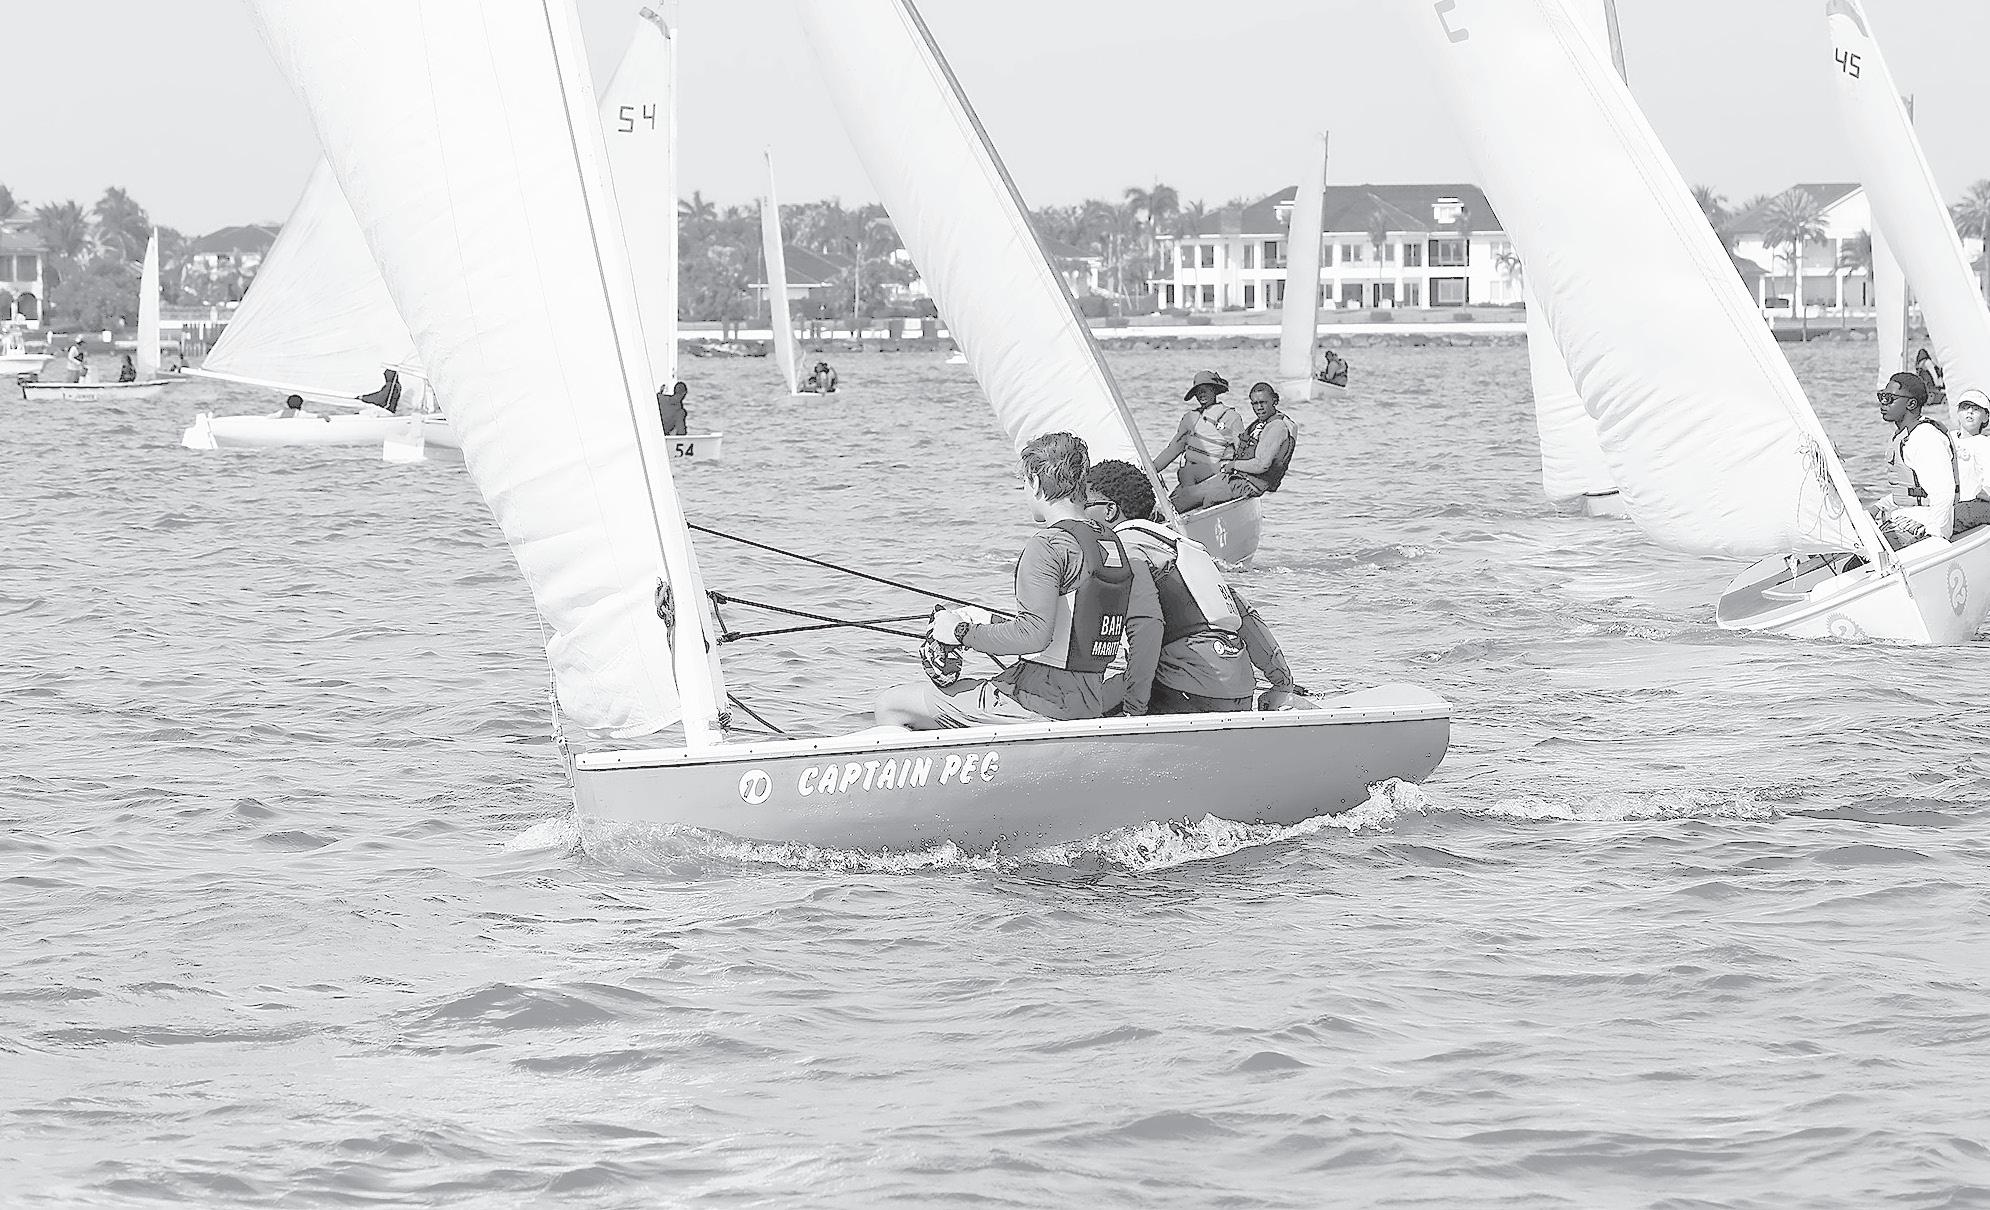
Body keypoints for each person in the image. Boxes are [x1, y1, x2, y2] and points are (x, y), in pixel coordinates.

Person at [874, 431, 1161, 729]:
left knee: (891, 703)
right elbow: (1071, 630)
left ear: (1035, 482)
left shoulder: (1048, 545)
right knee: (967, 687)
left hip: (1037, 701)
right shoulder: (1112, 543)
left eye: (1024, 482)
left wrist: (959, 632)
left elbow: (1034, 635)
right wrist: (988, 622)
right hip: (1085, 700)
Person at [1084, 459, 1308, 713]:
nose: (1079, 515)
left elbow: (1147, 626)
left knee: (1085, 707)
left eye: (1085, 505)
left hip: (1190, 692)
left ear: (1110, 511)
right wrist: (1281, 682)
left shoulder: (1127, 549)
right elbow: (1245, 615)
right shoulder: (1182, 546)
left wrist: (1133, 709)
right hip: (1239, 691)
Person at [1171, 381, 1299, 512]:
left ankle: (1172, 513)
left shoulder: (1276, 427)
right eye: (1255, 404)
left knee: (1193, 495)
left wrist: (1233, 465)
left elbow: (1261, 465)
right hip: (1239, 476)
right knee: (1186, 474)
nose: (1259, 407)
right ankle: (1177, 508)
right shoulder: (1262, 423)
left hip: (1248, 484)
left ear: (1274, 401)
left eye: (1263, 403)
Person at [1869, 371, 1957, 547]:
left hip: (1924, 525)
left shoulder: (1925, 438)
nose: (1883, 403)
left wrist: (1934, 535)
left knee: (1858, 559)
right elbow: (1912, 492)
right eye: (1882, 397)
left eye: (1889, 398)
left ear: (1911, 403)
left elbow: (1944, 493)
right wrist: (1879, 507)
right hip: (1906, 517)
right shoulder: (1906, 436)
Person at [1150, 370, 1246, 508]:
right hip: (1190, 479)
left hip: (1215, 476)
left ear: (1214, 390)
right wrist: (1149, 471)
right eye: (1198, 391)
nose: (1201, 393)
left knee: (1182, 498)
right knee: (1168, 507)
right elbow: (1173, 450)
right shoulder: (1190, 418)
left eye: (1205, 389)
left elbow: (1242, 451)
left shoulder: (1231, 417)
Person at [1953, 390, 1990, 533]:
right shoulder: (1948, 438)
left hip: (1970, 507)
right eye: (1965, 407)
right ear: (1958, 412)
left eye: (1976, 409)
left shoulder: (1984, 443)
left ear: (1986, 417)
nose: (1970, 411)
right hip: (1945, 502)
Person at [1914, 347, 1947, 412]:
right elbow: (1934, 374)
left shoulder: (1920, 366)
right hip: (1932, 388)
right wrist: (1938, 385)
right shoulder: (1927, 362)